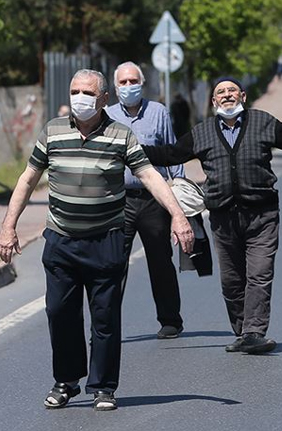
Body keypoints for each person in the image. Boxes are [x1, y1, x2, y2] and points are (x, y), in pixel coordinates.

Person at [0, 69, 194, 411]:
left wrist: (178, 215)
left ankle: (103, 386)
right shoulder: (53, 131)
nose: (79, 98)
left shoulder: (121, 135)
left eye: (87, 92)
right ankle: (66, 381)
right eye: (75, 90)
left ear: (104, 98)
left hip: (105, 241)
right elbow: (29, 179)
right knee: (60, 313)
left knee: (104, 317)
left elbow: (149, 175)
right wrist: (8, 226)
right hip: (61, 241)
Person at [141, 76, 282, 354]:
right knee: (232, 281)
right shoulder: (202, 131)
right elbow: (169, 154)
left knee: (259, 274)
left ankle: (254, 331)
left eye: (232, 90)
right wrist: (128, 149)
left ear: (243, 96)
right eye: (220, 92)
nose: (226, 95)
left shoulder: (262, 122)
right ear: (213, 101)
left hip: (262, 214)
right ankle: (242, 330)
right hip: (223, 218)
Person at [106, 61, 186, 339]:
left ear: (142, 83)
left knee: (161, 261)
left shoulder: (158, 112)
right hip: (119, 201)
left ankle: (170, 320)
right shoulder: (106, 115)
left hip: (153, 200)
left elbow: (172, 152)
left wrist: (179, 198)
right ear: (115, 88)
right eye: (123, 83)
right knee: (112, 264)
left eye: (133, 81)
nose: (129, 86)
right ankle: (106, 325)